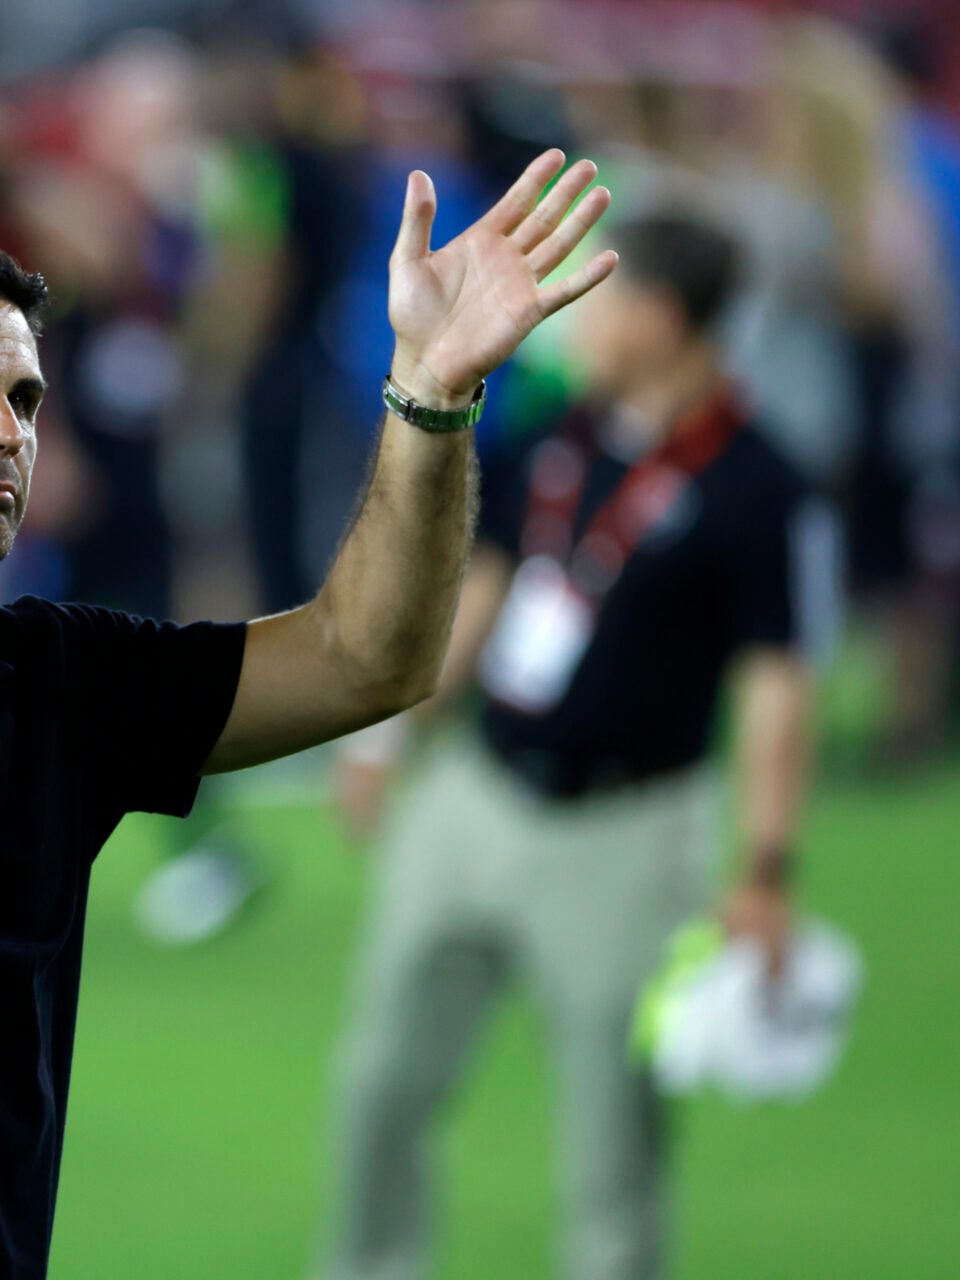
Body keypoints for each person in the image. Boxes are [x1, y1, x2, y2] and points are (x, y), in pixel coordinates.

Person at [0, 70, 616, 1277]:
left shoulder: (59, 677)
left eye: (20, 396)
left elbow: (367, 655)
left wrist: (434, 394)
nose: (1, 430)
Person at [324, 215, 833, 1280]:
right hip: (475, 794)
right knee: (379, 1083)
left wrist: (766, 867)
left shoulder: (763, 483)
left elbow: (779, 683)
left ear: (659, 313)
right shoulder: (560, 430)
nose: (577, 321)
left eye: (605, 298)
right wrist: (390, 739)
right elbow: (492, 583)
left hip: (628, 830)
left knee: (614, 1139)